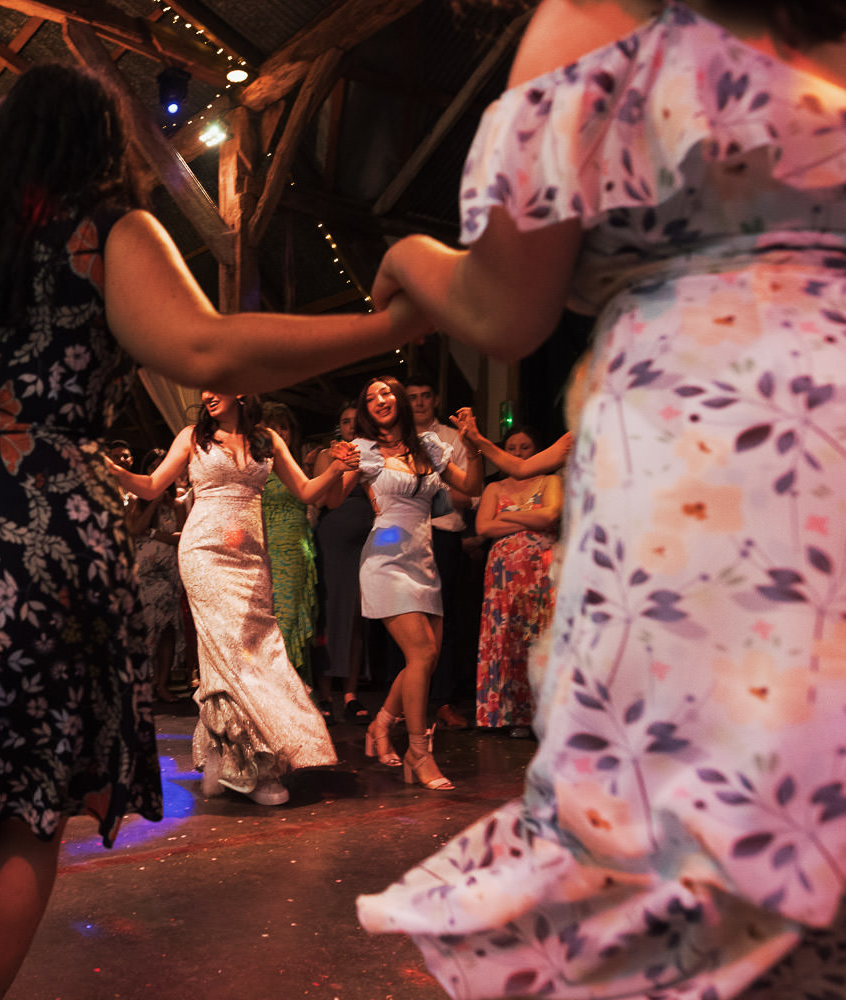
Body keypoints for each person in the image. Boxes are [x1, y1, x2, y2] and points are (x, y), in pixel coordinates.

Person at [0, 63, 428, 1000]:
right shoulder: (107, 234)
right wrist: (382, 325)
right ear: (101, 147)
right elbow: (206, 347)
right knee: (27, 809)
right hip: (45, 549)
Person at [356, 1, 846, 996]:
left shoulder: (597, 22)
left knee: (687, 851)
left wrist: (407, 260)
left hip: (718, 469)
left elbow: (504, 310)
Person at [108, 392, 355, 807]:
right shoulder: (192, 437)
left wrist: (338, 469)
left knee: (259, 651)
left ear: (241, 390)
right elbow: (151, 487)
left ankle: (226, 758)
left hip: (252, 559)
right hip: (203, 553)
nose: (206, 395)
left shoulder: (268, 441)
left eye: (216, 386)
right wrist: (112, 471)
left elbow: (308, 492)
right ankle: (254, 767)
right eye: (203, 388)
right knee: (231, 655)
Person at [346, 376, 483, 791]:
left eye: (385, 392)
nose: (379, 400)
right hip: (386, 557)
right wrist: (335, 465)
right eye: (369, 398)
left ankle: (381, 724)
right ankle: (419, 752)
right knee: (421, 652)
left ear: (400, 398)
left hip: (423, 559)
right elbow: (330, 494)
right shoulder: (365, 452)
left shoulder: (430, 447)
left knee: (426, 657)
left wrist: (472, 443)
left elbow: (472, 486)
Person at [469, 425, 562, 739]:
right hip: (503, 581)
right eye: (513, 448)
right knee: (507, 640)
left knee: (539, 638)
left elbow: (550, 518)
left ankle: (544, 714)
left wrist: (507, 517)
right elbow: (482, 526)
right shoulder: (495, 488)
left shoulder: (550, 481)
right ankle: (513, 714)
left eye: (525, 448)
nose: (519, 453)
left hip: (540, 576)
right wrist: (528, 515)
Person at [403, 373, 476, 731]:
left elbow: (470, 495)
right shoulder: (395, 439)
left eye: (424, 395)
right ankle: (402, 701)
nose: (418, 402)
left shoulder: (449, 439)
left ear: (434, 399)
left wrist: (427, 491)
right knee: (402, 618)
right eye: (412, 396)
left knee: (441, 623)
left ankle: (443, 700)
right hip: (401, 537)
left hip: (443, 535)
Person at [311, 400, 375, 723]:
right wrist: (338, 465)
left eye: (356, 420)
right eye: (346, 421)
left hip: (364, 543)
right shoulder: (327, 455)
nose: (351, 426)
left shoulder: (372, 452)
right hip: (332, 541)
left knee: (355, 617)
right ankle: (324, 695)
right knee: (328, 616)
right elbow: (320, 497)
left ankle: (350, 693)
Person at [258, 401, 318, 687]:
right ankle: (275, 695)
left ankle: (295, 693)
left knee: (289, 619)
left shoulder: (296, 465)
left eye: (284, 427)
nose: (280, 432)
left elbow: (315, 498)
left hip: (296, 549)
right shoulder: (254, 466)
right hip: (264, 551)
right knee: (270, 623)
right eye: (273, 426)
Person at [125, 447, 188, 701]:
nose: (159, 472)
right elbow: (135, 529)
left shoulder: (178, 503)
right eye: (154, 468)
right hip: (144, 576)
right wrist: (152, 504)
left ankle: (161, 684)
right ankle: (142, 684)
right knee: (145, 629)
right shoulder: (136, 499)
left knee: (167, 629)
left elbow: (183, 536)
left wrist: (155, 534)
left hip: (169, 576)